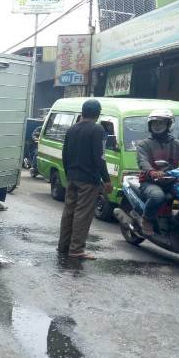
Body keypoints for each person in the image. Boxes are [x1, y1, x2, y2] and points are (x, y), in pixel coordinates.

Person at [57, 99, 113, 259]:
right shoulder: (98, 130)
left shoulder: (72, 129)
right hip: (88, 180)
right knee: (83, 214)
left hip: (72, 177)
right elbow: (100, 157)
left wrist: (69, 173)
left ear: (83, 112)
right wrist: (107, 179)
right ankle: (76, 249)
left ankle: (63, 246)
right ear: (98, 113)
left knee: (69, 212)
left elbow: (65, 153)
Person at [136, 109, 179, 236]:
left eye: (161, 123)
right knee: (158, 196)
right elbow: (143, 162)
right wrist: (152, 171)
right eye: (154, 123)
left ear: (169, 125)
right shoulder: (143, 144)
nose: (157, 126)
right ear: (150, 125)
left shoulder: (177, 144)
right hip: (150, 181)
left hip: (172, 181)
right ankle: (147, 219)